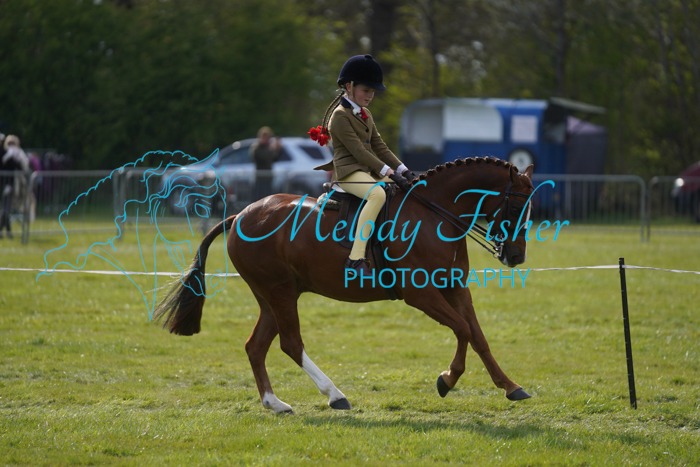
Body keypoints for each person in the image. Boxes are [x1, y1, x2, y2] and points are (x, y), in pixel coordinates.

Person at [309, 54, 416, 275]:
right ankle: (355, 258)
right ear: (349, 86)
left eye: (373, 91)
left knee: (402, 190)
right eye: (366, 90)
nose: (370, 96)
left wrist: (404, 170)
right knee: (377, 195)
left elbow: (380, 147)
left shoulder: (365, 114)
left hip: (366, 171)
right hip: (348, 173)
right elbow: (358, 151)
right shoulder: (340, 116)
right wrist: (388, 171)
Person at [1, 134, 30, 238]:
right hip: (5, 184)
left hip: (11, 184)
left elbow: (23, 167)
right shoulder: (4, 153)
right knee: (5, 210)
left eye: (13, 143)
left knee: (6, 209)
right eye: (9, 143)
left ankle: (6, 231)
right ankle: (6, 231)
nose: (11, 145)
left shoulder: (18, 154)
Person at [250, 126, 281, 201]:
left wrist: (277, 149)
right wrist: (272, 149)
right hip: (260, 177)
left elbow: (275, 158)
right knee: (258, 198)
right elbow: (261, 157)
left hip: (268, 177)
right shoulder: (256, 147)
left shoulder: (269, 148)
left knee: (268, 197)